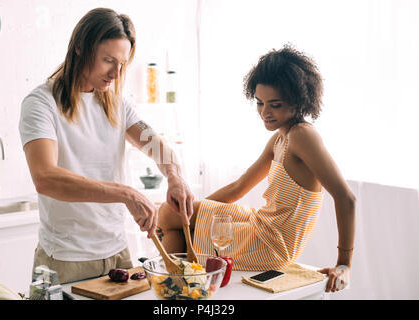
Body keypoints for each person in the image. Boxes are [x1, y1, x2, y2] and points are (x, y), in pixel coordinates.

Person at [158, 45, 356, 293]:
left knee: (173, 222)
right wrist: (189, 215)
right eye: (260, 103)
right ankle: (180, 287)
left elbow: (346, 198)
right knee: (170, 214)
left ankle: (176, 291)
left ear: (299, 100)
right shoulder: (280, 138)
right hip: (261, 222)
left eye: (275, 104)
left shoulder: (302, 135)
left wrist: (344, 264)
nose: (265, 112)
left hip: (272, 244)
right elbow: (238, 187)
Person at [19, 8, 194, 284]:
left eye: (122, 63)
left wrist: (175, 176)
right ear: (80, 48)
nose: (116, 72)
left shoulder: (117, 103)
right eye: (108, 60)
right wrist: (126, 193)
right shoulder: (42, 104)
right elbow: (45, 178)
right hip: (66, 259)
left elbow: (158, 146)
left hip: (118, 253)